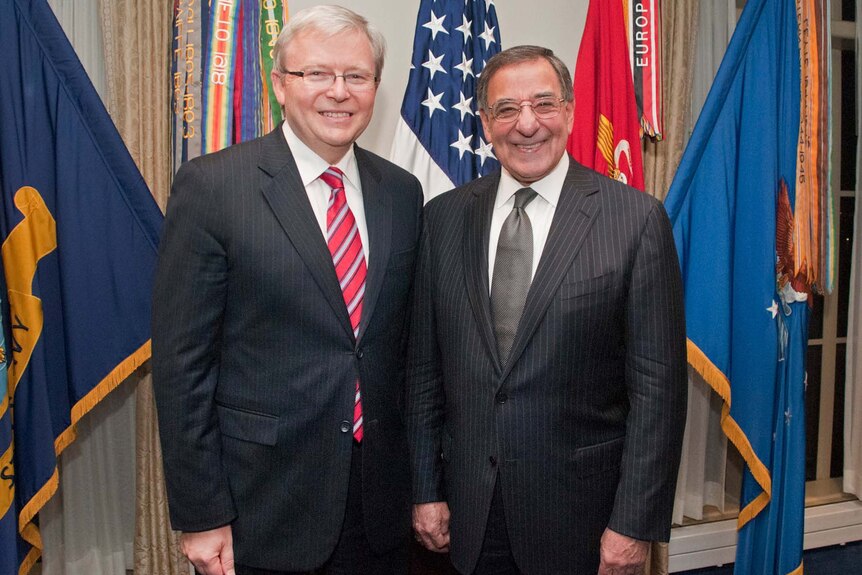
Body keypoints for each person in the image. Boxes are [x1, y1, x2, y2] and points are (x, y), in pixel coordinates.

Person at [152, 6, 422, 575]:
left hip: (380, 507)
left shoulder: (401, 192)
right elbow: (182, 367)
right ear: (279, 84)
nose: (339, 92)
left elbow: (404, 353)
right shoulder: (213, 186)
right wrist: (201, 515)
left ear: (376, 86)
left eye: (356, 76)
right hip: (262, 507)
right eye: (317, 74)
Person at [406, 45, 687, 575]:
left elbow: (659, 393)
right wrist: (424, 489)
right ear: (486, 123)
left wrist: (632, 524)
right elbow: (424, 371)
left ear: (571, 111)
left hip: (585, 519)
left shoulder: (635, 220)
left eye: (543, 103)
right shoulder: (442, 219)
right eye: (507, 109)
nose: (527, 124)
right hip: (467, 516)